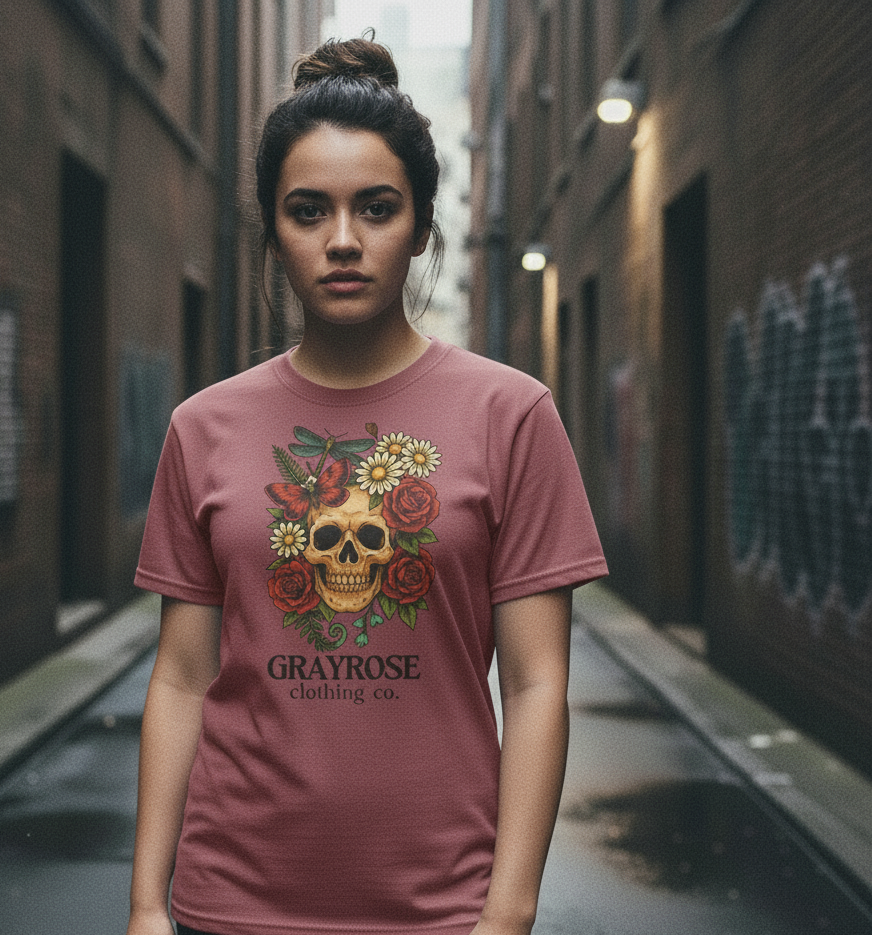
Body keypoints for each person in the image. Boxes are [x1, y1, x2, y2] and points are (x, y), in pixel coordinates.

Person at [127, 35, 607, 935]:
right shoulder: (203, 427)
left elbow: (539, 685)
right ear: (272, 228)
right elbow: (182, 679)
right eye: (307, 211)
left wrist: (507, 912)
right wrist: (148, 903)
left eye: (376, 208)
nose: (342, 241)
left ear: (423, 224)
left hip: (442, 911)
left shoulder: (513, 416)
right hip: (229, 904)